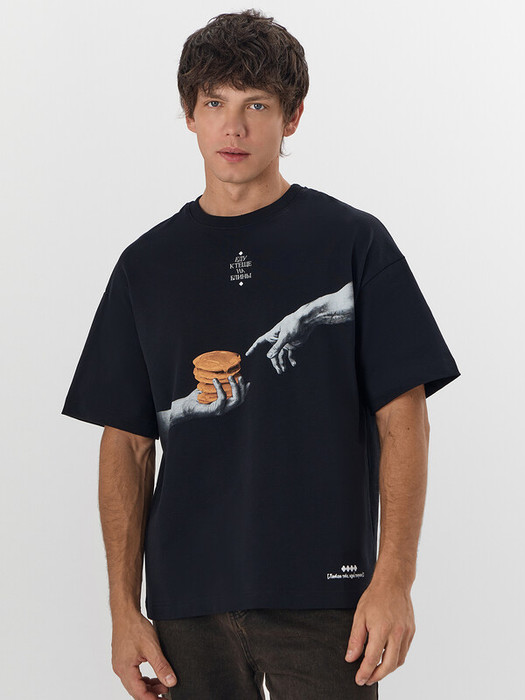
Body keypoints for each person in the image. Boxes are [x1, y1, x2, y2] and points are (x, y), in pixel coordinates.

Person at [61, 8, 461, 699]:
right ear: (190, 116)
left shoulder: (353, 243)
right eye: (214, 102)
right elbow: (125, 444)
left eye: (256, 105)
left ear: (292, 117)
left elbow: (405, 418)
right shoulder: (145, 266)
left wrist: (394, 579)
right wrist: (124, 610)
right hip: (185, 606)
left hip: (327, 600)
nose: (234, 128)